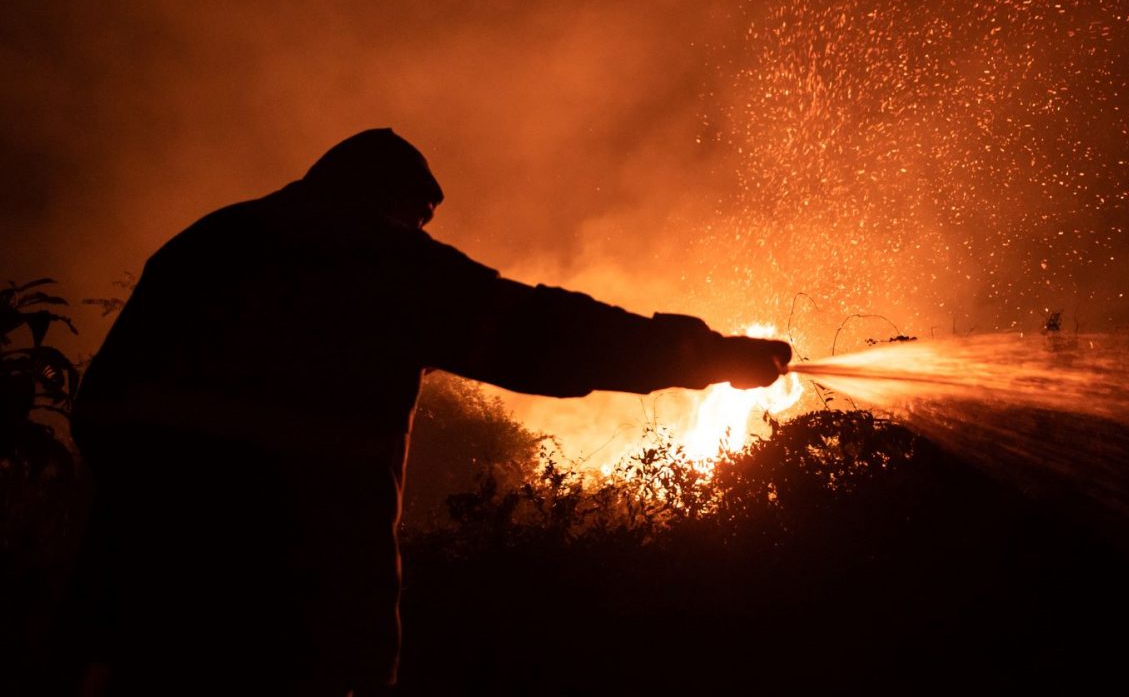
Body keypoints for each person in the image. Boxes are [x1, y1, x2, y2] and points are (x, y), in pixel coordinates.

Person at [69, 128, 789, 696]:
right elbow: (545, 336)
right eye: (418, 219)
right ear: (392, 206)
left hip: (140, 606)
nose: (420, 235)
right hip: (292, 617)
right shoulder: (380, 263)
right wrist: (712, 357)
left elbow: (99, 407)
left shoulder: (208, 244)